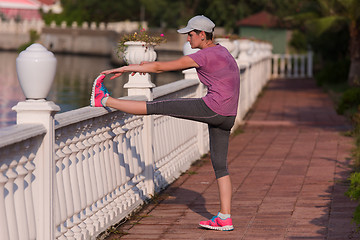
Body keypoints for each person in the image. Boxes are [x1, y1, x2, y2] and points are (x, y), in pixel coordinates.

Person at [90, 15, 240, 231]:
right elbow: (161, 66)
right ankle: (225, 218)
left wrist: (125, 69)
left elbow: (162, 68)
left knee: (156, 106)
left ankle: (103, 99)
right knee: (220, 165)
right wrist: (145, 65)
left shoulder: (205, 56)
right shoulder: (222, 51)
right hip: (228, 115)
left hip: (213, 109)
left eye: (190, 35)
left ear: (202, 34)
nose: (187, 39)